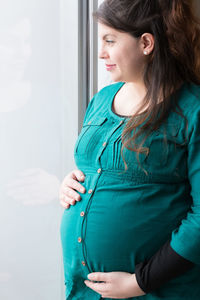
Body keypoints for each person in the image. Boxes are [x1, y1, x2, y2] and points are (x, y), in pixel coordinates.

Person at [59, 0, 200, 299]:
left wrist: (140, 282)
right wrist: (71, 183)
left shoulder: (193, 110)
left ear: (146, 43)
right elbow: (99, 173)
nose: (101, 53)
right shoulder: (102, 99)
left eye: (110, 40)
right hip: (84, 290)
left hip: (155, 292)